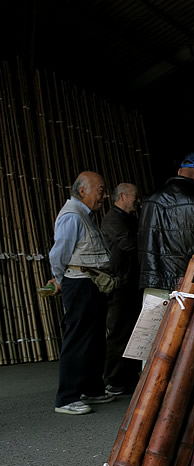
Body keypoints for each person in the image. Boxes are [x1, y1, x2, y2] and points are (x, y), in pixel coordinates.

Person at [47, 171, 115, 415]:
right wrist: (60, 279)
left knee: (95, 338)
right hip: (79, 283)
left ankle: (93, 388)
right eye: (101, 190)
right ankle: (66, 398)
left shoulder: (84, 215)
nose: (105, 196)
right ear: (83, 190)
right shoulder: (72, 216)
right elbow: (58, 254)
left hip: (92, 283)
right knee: (77, 339)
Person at [138, 151, 194, 298]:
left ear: (179, 172)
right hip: (188, 283)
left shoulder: (150, 199)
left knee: (156, 321)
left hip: (153, 283)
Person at [101, 182, 142, 396]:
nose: (138, 200)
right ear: (123, 196)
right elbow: (128, 244)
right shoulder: (112, 219)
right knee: (118, 331)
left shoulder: (129, 218)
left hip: (131, 282)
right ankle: (113, 379)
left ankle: (128, 377)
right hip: (119, 283)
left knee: (133, 331)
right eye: (135, 196)